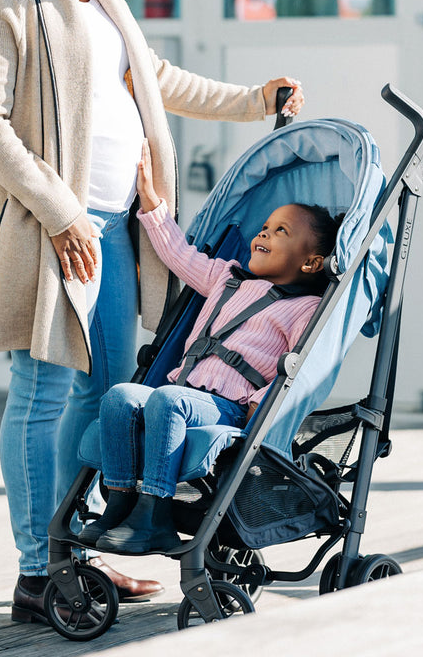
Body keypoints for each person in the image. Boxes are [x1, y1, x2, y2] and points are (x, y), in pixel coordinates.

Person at [0, 0, 305, 624]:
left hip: (112, 228)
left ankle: (80, 548)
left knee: (109, 390)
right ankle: (37, 568)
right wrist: (59, 211)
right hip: (49, 230)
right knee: (44, 393)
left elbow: (151, 76)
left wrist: (252, 102)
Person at [77, 140, 341, 554]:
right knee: (120, 397)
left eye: (281, 232)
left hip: (229, 407)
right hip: (180, 393)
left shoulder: (306, 308)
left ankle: (156, 514)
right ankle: (120, 504)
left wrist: (262, 401)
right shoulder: (225, 278)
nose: (264, 234)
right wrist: (151, 203)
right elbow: (176, 253)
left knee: (167, 400)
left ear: (310, 262)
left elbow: (300, 368)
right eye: (265, 227)